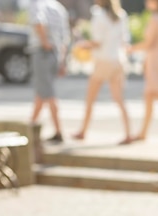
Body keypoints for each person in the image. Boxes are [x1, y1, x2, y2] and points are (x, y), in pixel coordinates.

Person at [71, 0, 132, 143]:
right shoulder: (121, 15)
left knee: (90, 98)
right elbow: (125, 41)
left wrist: (83, 45)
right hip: (118, 60)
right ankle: (128, 133)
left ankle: (83, 131)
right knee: (120, 100)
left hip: (103, 61)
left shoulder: (98, 15)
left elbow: (98, 42)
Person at [123, 0, 158, 145]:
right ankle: (143, 132)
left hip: (156, 60)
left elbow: (148, 43)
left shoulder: (155, 19)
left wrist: (130, 48)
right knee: (149, 96)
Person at [29, 0, 71, 143]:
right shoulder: (59, 8)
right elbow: (65, 37)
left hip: (43, 52)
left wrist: (45, 43)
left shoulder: (37, 4)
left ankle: (59, 131)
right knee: (42, 92)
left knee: (48, 92)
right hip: (55, 54)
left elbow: (38, 22)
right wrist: (62, 60)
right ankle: (30, 127)